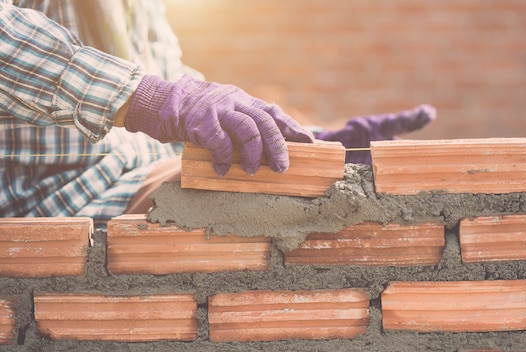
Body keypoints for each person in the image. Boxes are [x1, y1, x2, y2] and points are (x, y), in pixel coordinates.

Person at [0, 0, 435, 228]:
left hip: (137, 175)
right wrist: (148, 98)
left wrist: (308, 142)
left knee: (296, 178)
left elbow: (171, 80)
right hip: (51, 206)